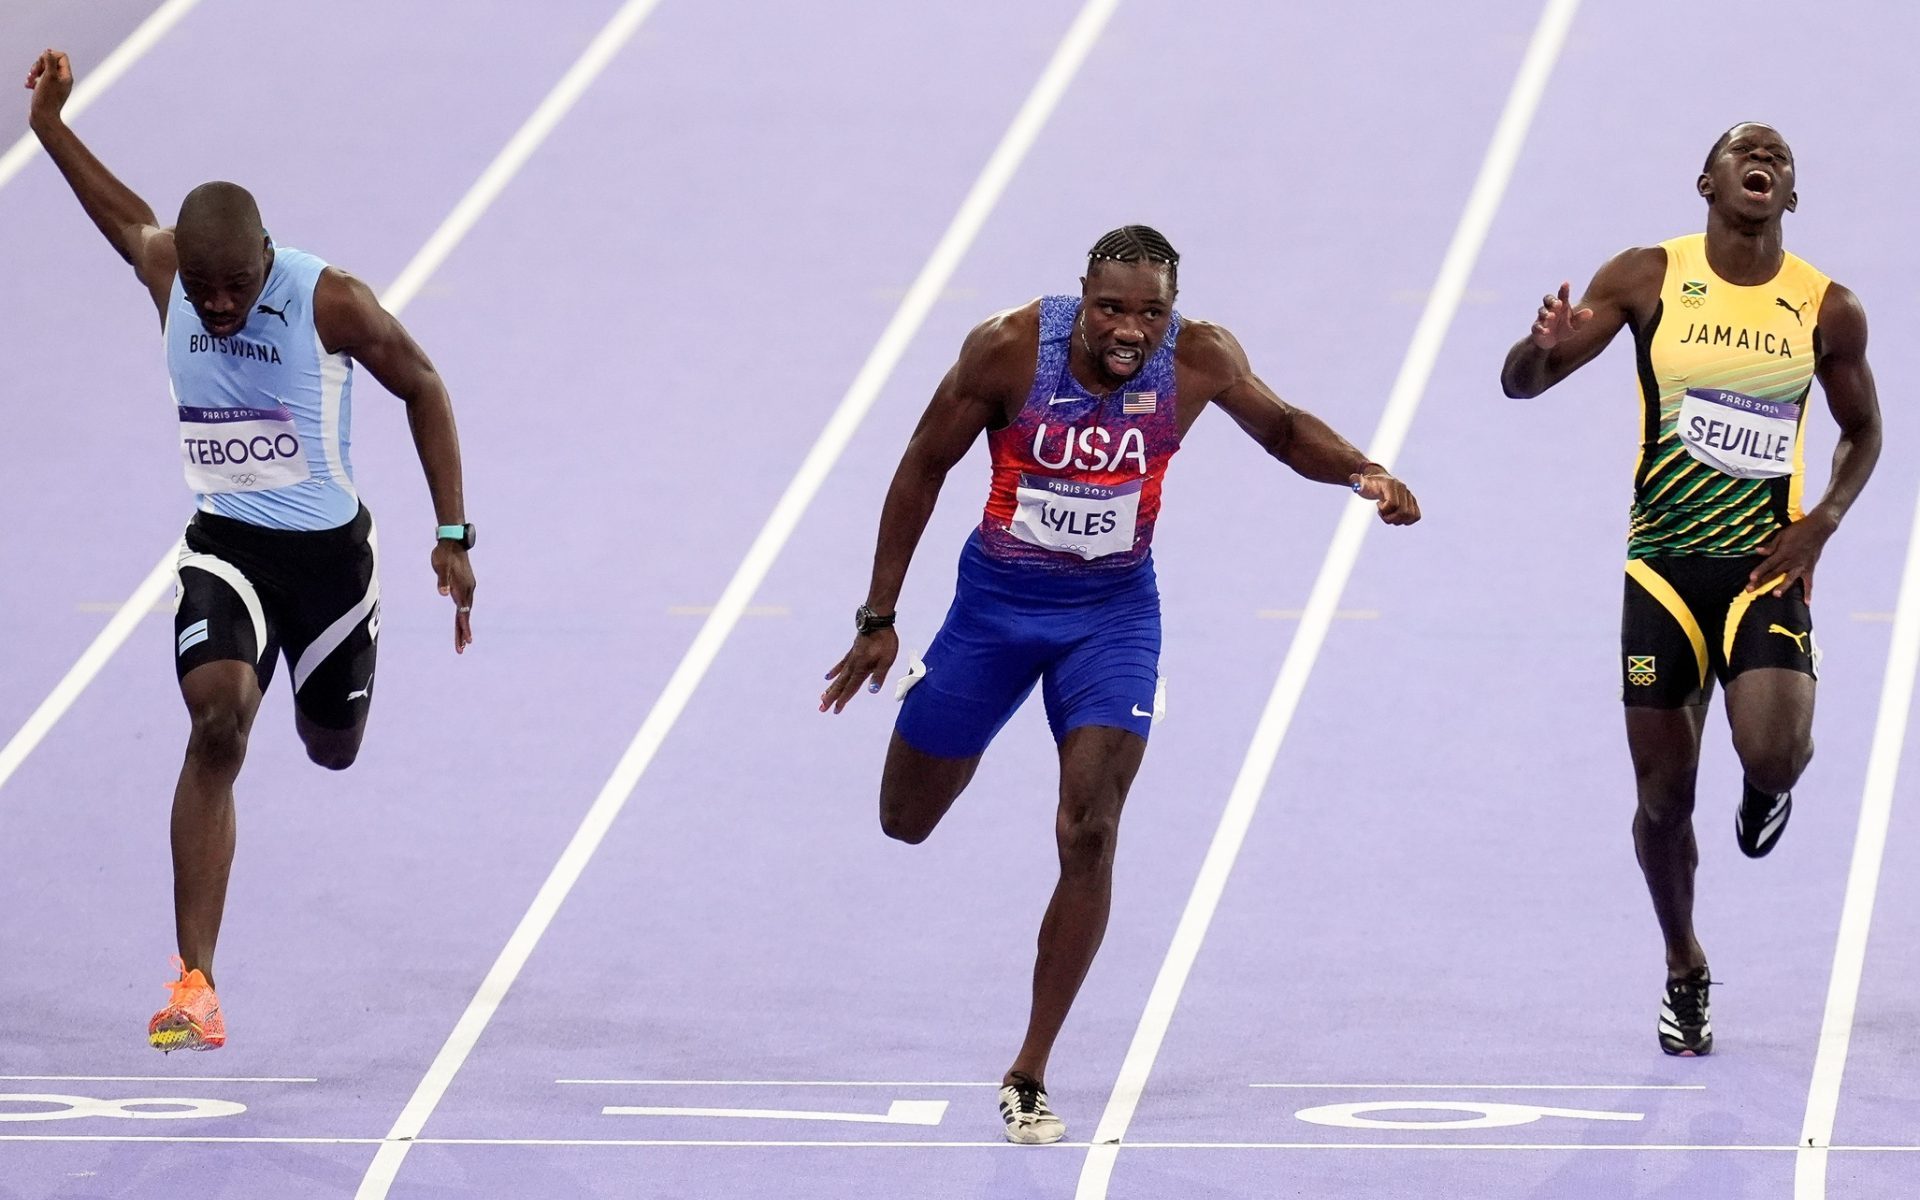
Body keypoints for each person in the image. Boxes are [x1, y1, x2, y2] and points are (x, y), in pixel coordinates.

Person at [820, 225, 1420, 1142]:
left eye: (1151, 313)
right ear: (1082, 297)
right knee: (904, 819)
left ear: (1172, 312)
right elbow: (923, 466)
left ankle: (1029, 1072)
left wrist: (1362, 471)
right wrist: (878, 616)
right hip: (993, 613)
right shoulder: (1008, 349)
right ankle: (948, 713)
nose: (1131, 330)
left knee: (1090, 829)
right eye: (1111, 309)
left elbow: (1283, 429)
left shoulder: (1201, 357)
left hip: (1112, 618)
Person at [25, 49, 479, 1052]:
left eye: (234, 287)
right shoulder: (171, 273)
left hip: (330, 568)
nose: (219, 307)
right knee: (218, 724)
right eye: (203, 289)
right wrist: (51, 127)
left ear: (266, 258)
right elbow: (124, 217)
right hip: (225, 548)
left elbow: (423, 384)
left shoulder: (330, 301)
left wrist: (452, 531)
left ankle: (336, 685)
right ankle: (196, 982)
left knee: (331, 749)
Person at [1500, 123, 1881, 1056]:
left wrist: (1822, 520)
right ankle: (1683, 964)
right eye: (1747, 152)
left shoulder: (1826, 307)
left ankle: (1767, 788)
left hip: (1763, 565)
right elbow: (1522, 385)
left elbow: (1863, 430)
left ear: (1790, 196)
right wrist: (1539, 347)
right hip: (1663, 572)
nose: (1765, 161)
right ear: (1707, 182)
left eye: (1781, 158)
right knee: (1665, 803)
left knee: (1775, 755)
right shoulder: (1647, 278)